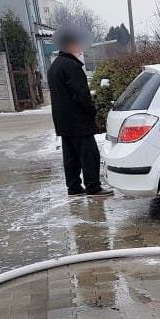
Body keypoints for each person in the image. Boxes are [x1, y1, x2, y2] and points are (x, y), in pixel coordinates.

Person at [47, 27, 112, 197]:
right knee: (89, 154)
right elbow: (81, 95)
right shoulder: (71, 66)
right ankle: (93, 187)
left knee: (71, 156)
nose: (80, 48)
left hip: (63, 120)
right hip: (78, 120)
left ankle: (74, 187)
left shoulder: (55, 66)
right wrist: (91, 111)